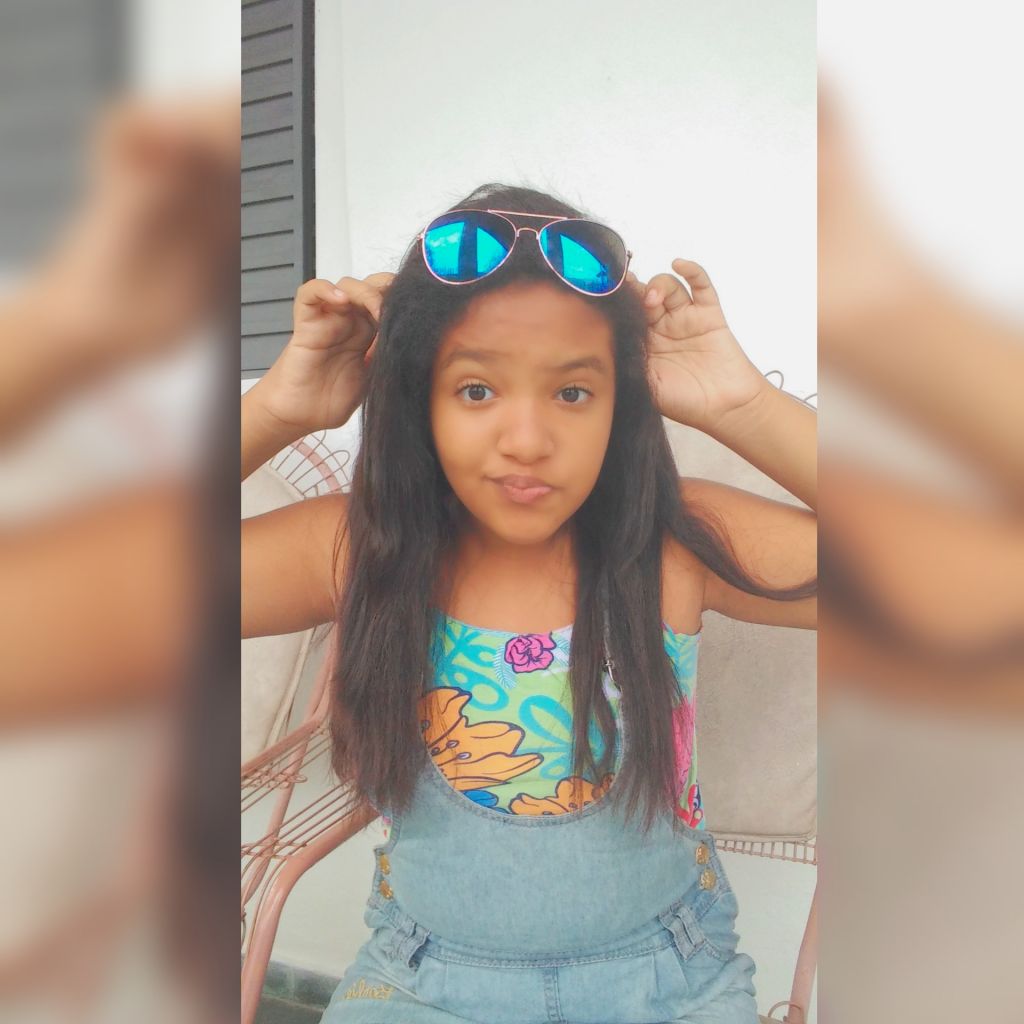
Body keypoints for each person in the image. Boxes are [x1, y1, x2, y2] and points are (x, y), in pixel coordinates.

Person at [241, 183, 817, 1023]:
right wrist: (277, 409)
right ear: (418, 398)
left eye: (572, 392)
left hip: (667, 983)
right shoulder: (358, 550)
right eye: (477, 390)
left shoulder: (673, 546)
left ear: (623, 402)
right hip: (423, 984)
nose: (527, 441)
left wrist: (745, 406)